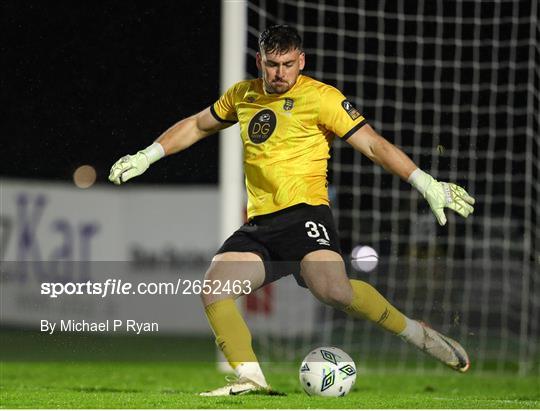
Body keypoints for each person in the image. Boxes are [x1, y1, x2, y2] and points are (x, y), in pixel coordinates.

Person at [109, 25, 475, 396]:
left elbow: (374, 146)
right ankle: (251, 378)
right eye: (272, 64)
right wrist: (148, 155)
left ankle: (417, 333)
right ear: (260, 62)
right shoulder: (243, 95)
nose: (280, 73)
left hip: (306, 214)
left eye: (287, 64)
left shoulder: (322, 98)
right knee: (214, 288)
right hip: (260, 225)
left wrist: (425, 182)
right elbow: (196, 125)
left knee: (335, 293)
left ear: (301, 61)